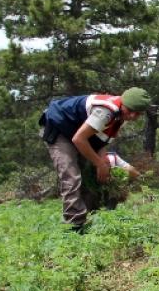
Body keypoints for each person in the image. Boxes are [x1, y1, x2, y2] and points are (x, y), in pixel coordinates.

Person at [39, 87, 150, 230]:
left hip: (76, 132)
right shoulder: (106, 112)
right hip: (58, 127)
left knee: (90, 176)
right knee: (72, 176)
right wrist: (99, 164)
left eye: (138, 114)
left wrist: (102, 163)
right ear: (123, 103)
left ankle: (93, 216)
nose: (133, 116)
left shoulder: (119, 116)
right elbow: (79, 139)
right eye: (130, 110)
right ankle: (74, 226)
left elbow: (100, 142)